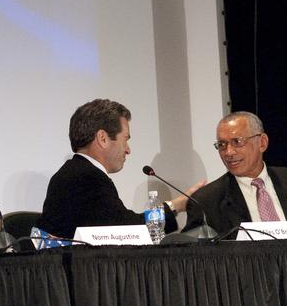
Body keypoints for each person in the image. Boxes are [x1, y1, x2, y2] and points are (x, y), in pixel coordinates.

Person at [39, 98, 200, 239]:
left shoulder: (74, 172)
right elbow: (128, 231)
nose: (128, 150)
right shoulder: (87, 178)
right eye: (125, 140)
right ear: (103, 138)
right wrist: (176, 206)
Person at [183, 111, 287, 236]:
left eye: (237, 142)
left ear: (262, 143)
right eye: (222, 145)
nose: (228, 152)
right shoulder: (206, 201)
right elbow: (194, 256)